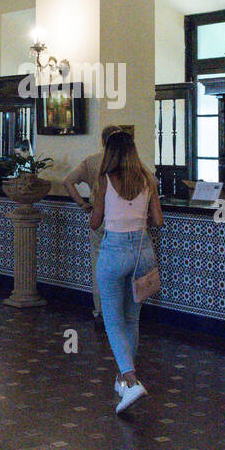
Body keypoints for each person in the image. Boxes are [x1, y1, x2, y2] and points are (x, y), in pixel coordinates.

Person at [89, 130, 163, 414]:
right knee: (132, 319)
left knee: (112, 319)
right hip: (143, 252)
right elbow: (157, 220)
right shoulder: (148, 180)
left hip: (114, 251)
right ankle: (123, 377)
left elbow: (95, 222)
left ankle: (130, 381)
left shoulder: (105, 180)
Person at [64, 124, 123, 319]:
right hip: (124, 220)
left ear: (102, 140)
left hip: (99, 218)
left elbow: (68, 181)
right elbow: (152, 182)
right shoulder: (128, 162)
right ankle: (122, 312)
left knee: (99, 265)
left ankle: (100, 310)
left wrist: (82, 204)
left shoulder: (92, 161)